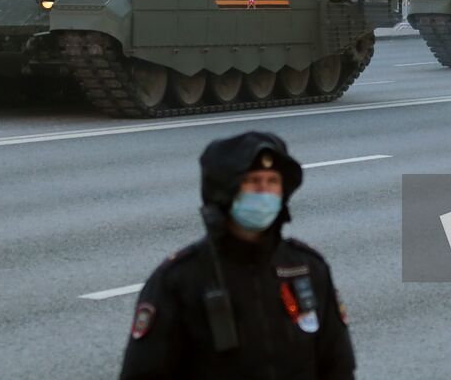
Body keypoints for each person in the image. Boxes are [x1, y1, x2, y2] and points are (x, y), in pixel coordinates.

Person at [119, 132, 355, 380]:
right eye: (252, 181)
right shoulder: (180, 278)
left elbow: (337, 364)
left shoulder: (306, 267)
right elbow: (143, 372)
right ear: (226, 191)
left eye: (272, 181)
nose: (264, 192)